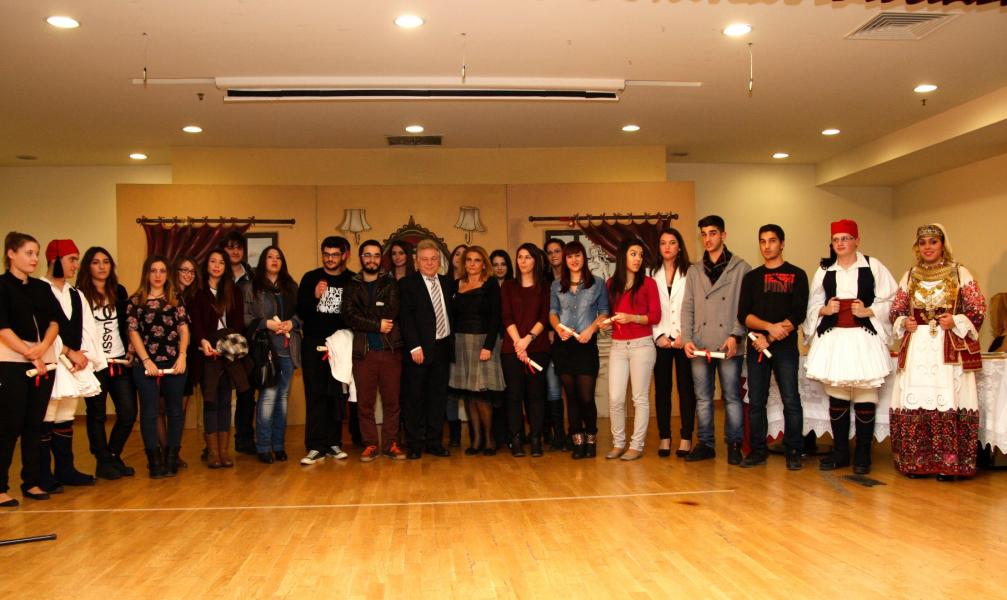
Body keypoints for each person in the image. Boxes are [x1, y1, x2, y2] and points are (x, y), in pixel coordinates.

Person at [889, 224, 985, 481]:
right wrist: (904, 321)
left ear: (943, 244)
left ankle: (949, 464)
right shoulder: (910, 275)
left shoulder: (959, 272)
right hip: (917, 347)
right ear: (917, 247)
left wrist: (956, 320)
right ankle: (916, 462)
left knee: (947, 397)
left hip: (947, 345)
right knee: (917, 398)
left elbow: (977, 308)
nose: (928, 247)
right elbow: (896, 310)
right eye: (923, 243)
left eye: (933, 241)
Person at [804, 219, 897, 475]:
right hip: (834, 338)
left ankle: (863, 454)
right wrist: (825, 309)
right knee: (838, 394)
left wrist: (869, 310)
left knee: (866, 393)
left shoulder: (873, 266)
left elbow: (893, 299)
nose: (840, 243)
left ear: (857, 240)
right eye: (836, 240)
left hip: (864, 338)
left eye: (845, 238)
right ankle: (841, 452)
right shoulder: (824, 270)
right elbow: (812, 304)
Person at [681, 215, 751, 464]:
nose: (708, 239)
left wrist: (735, 335)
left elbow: (745, 308)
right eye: (704, 234)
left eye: (713, 233)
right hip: (700, 343)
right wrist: (686, 338)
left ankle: (734, 444)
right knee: (703, 398)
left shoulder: (741, 268)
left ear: (723, 235)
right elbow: (687, 307)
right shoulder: (694, 270)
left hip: (729, 343)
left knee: (731, 397)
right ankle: (706, 444)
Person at [737, 225, 809, 470]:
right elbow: (744, 315)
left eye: (772, 241)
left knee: (791, 400)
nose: (767, 246)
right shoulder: (751, 277)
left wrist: (771, 337)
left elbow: (798, 314)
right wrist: (767, 328)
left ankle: (794, 451)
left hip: (785, 349)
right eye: (762, 241)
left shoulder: (797, 275)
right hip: (757, 348)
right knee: (757, 402)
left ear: (782, 243)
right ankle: (757, 451)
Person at [0, 232, 61, 506]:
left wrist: (42, 347)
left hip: (43, 359)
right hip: (12, 361)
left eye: (37, 253)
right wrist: (28, 352)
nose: (35, 258)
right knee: (9, 424)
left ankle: (32, 481)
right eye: (29, 253)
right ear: (11, 254)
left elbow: (54, 322)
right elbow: (2, 328)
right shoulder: (2, 286)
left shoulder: (41, 288)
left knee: (34, 424)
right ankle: (1, 486)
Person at [41, 239, 102, 488]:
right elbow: (41, 331)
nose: (76, 265)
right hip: (50, 362)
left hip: (74, 365)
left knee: (66, 416)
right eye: (72, 259)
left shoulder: (76, 294)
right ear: (55, 260)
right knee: (46, 416)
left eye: (77, 259)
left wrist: (84, 356)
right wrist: (67, 353)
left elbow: (88, 328)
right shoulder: (39, 290)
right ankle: (42, 475)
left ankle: (65, 470)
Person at [77, 246, 138, 479]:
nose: (102, 266)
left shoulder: (118, 291)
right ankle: (103, 461)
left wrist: (131, 347)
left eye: (106, 261)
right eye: (96, 262)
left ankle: (113, 454)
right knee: (97, 414)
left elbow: (126, 323)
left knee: (128, 412)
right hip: (95, 364)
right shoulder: (79, 294)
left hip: (120, 360)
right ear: (87, 267)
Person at [343, 240, 406, 461]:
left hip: (390, 351)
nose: (372, 259)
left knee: (392, 402)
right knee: (365, 403)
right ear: (361, 257)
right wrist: (376, 324)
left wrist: (363, 315)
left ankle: (390, 444)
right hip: (364, 352)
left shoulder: (391, 283)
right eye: (367, 255)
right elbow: (348, 316)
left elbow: (391, 310)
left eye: (376, 255)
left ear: (381, 258)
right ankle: (370, 444)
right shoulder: (351, 284)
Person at [127, 255, 190, 478]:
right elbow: (133, 332)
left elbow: (184, 329)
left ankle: (171, 458)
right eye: (153, 270)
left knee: (175, 411)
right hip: (145, 364)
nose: (157, 275)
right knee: (150, 411)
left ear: (167, 274)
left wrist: (182, 356)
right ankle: (154, 461)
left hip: (174, 362)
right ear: (147, 273)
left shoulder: (176, 298)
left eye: (162, 271)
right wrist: (146, 360)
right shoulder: (136, 300)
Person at [296, 236, 355, 465]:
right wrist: (315, 296)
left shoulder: (351, 280)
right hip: (314, 343)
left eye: (334, 255)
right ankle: (314, 446)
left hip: (341, 344)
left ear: (344, 255)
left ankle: (333, 443)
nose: (330, 259)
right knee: (315, 394)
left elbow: (355, 314)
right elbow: (301, 311)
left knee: (336, 395)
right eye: (326, 254)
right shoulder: (310, 278)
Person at [601, 237, 660, 461]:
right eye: (633, 254)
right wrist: (604, 322)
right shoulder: (611, 284)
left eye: (641, 255)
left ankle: (636, 445)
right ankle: (618, 443)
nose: (638, 259)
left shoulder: (649, 284)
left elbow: (655, 316)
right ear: (622, 256)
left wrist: (632, 318)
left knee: (639, 398)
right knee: (615, 398)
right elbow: (609, 314)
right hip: (617, 346)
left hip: (642, 345)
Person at [549, 241, 609, 459]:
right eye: (569, 256)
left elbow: (604, 312)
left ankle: (591, 437)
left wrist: (591, 330)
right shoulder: (556, 285)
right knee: (571, 397)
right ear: (565, 260)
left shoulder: (598, 283)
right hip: (563, 346)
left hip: (586, 345)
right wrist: (558, 328)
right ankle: (577, 440)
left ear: (584, 257)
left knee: (586, 397)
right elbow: (552, 312)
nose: (574, 260)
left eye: (577, 255)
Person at [243, 245, 301, 464]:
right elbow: (245, 318)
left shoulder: (291, 287)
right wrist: (264, 323)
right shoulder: (252, 287)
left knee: (282, 399)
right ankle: (264, 446)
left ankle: (279, 445)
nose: (275, 260)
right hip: (266, 351)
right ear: (263, 261)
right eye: (270, 257)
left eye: (278, 257)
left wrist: (293, 323)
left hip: (288, 350)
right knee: (267, 398)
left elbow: (302, 314)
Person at [399, 239, 456, 459]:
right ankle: (415, 444)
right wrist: (414, 346)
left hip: (443, 348)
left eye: (433, 259)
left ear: (439, 261)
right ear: (417, 261)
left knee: (438, 398)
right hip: (419, 350)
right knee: (415, 399)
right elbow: (405, 318)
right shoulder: (407, 284)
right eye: (425, 259)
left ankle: (434, 442)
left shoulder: (447, 283)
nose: (430, 263)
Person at [189, 248, 245, 469]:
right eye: (213, 261)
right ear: (206, 265)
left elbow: (238, 322)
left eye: (221, 262)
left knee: (225, 401)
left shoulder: (234, 291)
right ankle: (212, 452)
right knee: (211, 401)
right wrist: (204, 341)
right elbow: (195, 323)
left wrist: (228, 346)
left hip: (229, 353)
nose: (217, 266)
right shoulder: (198, 292)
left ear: (226, 266)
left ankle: (224, 451)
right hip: (207, 354)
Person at [449, 246, 505, 456]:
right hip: (461, 342)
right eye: (469, 260)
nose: (472, 264)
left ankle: (489, 439)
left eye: (477, 260)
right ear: (464, 263)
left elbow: (496, 317)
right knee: (469, 395)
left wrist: (488, 346)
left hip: (483, 342)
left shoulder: (490, 284)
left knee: (482, 394)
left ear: (484, 264)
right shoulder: (456, 285)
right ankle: (476, 439)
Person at [501, 243, 552, 457]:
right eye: (520, 257)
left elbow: (544, 317)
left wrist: (527, 340)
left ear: (536, 261)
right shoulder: (508, 286)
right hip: (512, 349)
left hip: (538, 348)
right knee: (514, 395)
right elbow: (506, 317)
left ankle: (536, 438)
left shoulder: (545, 287)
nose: (523, 261)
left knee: (536, 395)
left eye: (528, 257)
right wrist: (519, 343)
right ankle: (516, 439)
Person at [650, 227, 695, 458]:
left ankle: (686, 438)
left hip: (684, 340)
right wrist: (658, 335)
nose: (667, 247)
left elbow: (696, 306)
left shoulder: (692, 271)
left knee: (686, 390)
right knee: (662, 390)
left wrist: (684, 335)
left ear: (679, 246)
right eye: (663, 243)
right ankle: (665, 437)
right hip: (660, 339)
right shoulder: (650, 273)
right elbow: (648, 307)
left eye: (672, 242)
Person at [223, 231, 258, 455]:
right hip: (221, 341)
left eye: (238, 247)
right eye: (230, 247)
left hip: (248, 341)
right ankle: (215, 445)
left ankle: (244, 439)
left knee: (247, 393)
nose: (234, 251)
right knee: (220, 394)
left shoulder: (253, 276)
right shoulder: (216, 273)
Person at [173, 254, 199, 465]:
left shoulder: (193, 298)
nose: (188, 275)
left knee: (180, 409)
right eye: (184, 270)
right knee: (163, 408)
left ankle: (174, 451)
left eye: (192, 271)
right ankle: (162, 451)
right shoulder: (166, 295)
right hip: (164, 357)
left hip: (187, 358)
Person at [542, 237, 567, 451]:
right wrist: (551, 329)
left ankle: (577, 434)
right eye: (549, 252)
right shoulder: (544, 280)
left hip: (573, 340)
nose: (553, 255)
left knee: (574, 390)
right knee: (552, 388)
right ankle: (558, 435)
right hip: (549, 341)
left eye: (557, 251)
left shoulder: (575, 276)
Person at [489, 248, 514, 447]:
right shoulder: (486, 286)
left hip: (512, 342)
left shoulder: (515, 285)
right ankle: (498, 436)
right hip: (492, 342)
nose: (499, 268)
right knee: (494, 391)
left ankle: (513, 435)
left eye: (503, 264)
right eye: (495, 264)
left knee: (511, 391)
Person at [445, 243, 469, 445]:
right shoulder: (443, 282)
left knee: (470, 387)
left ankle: (476, 431)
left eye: (465, 254)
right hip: (448, 341)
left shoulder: (473, 282)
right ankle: (454, 433)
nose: (460, 257)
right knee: (450, 389)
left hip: (469, 340)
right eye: (457, 253)